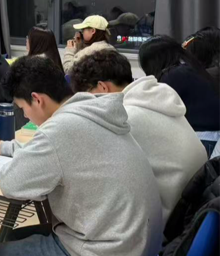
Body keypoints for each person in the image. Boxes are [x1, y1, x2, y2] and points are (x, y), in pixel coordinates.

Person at [0, 56, 163, 256]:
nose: (26, 116)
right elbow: (58, 155)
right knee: (14, 238)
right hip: (134, 248)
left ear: (37, 99)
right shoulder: (90, 111)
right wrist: (2, 147)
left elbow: (11, 183)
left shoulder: (59, 130)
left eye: (22, 108)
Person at [70, 49, 207, 223]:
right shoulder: (155, 96)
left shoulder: (123, 117)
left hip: (169, 219)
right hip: (192, 206)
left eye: (88, 97)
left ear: (103, 87)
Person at [139, 35, 220, 154]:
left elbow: (154, 111)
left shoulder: (172, 76)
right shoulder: (190, 69)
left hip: (202, 139)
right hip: (211, 138)